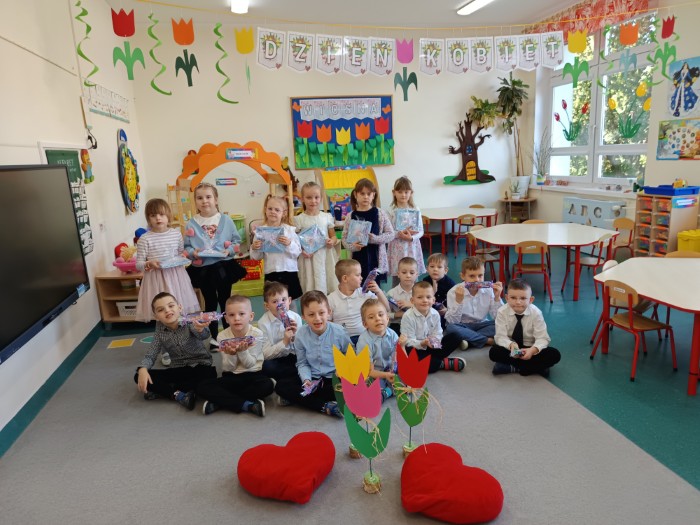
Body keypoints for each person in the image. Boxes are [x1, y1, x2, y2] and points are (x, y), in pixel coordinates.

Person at [135, 198, 200, 366]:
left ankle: (186, 345)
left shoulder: (176, 234)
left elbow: (180, 253)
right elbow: (138, 264)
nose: (158, 218)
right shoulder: (145, 239)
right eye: (153, 215)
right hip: (157, 281)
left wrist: (186, 256)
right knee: (162, 314)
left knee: (180, 312)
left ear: (168, 216)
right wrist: (149, 263)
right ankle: (166, 349)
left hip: (176, 278)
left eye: (162, 214)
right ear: (148, 218)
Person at [184, 182, 246, 345]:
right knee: (210, 303)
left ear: (216, 199)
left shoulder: (226, 220)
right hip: (203, 270)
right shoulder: (191, 223)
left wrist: (229, 250)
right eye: (200, 198)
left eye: (208, 197)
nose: (204, 201)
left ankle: (229, 333)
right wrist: (193, 252)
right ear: (195, 201)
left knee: (226, 302)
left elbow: (236, 241)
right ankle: (212, 337)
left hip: (223, 268)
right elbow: (186, 247)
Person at [274, 290, 353, 417]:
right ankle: (325, 406)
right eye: (311, 314)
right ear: (303, 317)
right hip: (313, 378)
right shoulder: (301, 335)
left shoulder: (340, 332)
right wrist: (306, 380)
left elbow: (350, 357)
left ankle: (300, 399)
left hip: (334, 378)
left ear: (329, 312)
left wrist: (344, 371)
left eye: (321, 313)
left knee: (349, 389)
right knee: (281, 386)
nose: (317, 318)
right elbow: (302, 363)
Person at [134, 292, 216, 410]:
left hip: (199, 365)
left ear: (179, 307)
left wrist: (200, 329)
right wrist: (143, 369)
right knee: (138, 375)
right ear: (156, 316)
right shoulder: (160, 332)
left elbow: (204, 335)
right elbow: (151, 354)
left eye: (171, 306)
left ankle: (166, 391)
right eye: (161, 310)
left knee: (208, 376)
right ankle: (179, 395)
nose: (167, 310)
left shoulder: (189, 321)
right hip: (179, 369)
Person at [197, 295, 273, 416]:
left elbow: (250, 364)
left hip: (253, 374)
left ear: (251, 316)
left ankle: (221, 401)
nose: (237, 318)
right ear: (226, 318)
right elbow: (228, 368)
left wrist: (242, 351)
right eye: (231, 315)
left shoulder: (256, 334)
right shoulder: (222, 336)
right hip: (231, 376)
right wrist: (232, 354)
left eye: (241, 314)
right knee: (202, 386)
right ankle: (247, 404)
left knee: (267, 385)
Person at [490, 278, 561, 377]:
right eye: (513, 298)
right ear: (507, 298)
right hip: (511, 348)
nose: (518, 302)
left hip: (530, 347)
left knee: (554, 354)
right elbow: (500, 337)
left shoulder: (536, 313)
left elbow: (543, 338)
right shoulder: (502, 312)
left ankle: (512, 367)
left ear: (531, 300)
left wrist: (532, 350)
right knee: (494, 352)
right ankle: (536, 368)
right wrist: (511, 345)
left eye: (523, 298)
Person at [442, 257, 504, 352]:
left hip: (482, 324)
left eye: (480, 275)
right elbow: (452, 321)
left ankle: (468, 340)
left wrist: (497, 297)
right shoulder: (453, 292)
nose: (477, 280)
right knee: (451, 328)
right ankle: (488, 340)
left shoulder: (489, 290)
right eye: (472, 276)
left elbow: (498, 317)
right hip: (462, 325)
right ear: (463, 276)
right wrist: (458, 301)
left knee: (504, 323)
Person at [401, 281, 465, 373]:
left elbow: (438, 333)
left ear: (433, 300)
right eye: (420, 297)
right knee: (410, 357)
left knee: (456, 336)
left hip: (432, 348)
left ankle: (433, 361)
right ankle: (441, 363)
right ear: (412, 300)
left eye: (428, 297)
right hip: (417, 349)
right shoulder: (408, 316)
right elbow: (408, 341)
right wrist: (422, 343)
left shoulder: (435, 314)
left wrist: (435, 342)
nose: (425, 300)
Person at [341, 178, 394, 283]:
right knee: (357, 286)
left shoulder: (380, 214)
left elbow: (391, 234)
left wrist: (376, 239)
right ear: (355, 194)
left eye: (369, 194)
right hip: (357, 259)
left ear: (373, 195)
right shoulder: (350, 216)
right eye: (362, 193)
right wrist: (353, 247)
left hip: (376, 259)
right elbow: (344, 238)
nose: (366, 197)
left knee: (374, 287)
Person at [250, 194, 303, 300]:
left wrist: (289, 244)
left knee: (290, 302)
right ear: (265, 210)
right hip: (271, 272)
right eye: (270, 209)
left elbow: (297, 252)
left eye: (277, 210)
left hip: (288, 271)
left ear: (284, 213)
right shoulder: (260, 232)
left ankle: (292, 312)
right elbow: (256, 257)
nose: (273, 212)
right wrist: (254, 248)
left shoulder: (289, 230)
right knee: (273, 302)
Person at [327, 259, 390, 345]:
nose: (361, 278)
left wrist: (378, 291)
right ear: (345, 278)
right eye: (358, 275)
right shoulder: (331, 299)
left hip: (365, 337)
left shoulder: (364, 293)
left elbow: (386, 308)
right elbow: (329, 323)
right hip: (342, 340)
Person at [356, 299, 407, 401]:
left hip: (390, 370)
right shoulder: (364, 341)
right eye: (371, 317)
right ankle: (389, 390)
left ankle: (388, 390)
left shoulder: (392, 334)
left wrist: (402, 346)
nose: (377, 319)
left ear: (387, 318)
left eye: (380, 315)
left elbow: (404, 362)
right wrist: (385, 375)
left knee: (410, 377)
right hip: (374, 373)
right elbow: (369, 371)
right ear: (365, 324)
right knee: (369, 386)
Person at [294, 181, 339, 294]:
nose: (313, 201)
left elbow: (333, 236)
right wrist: (302, 250)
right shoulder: (299, 219)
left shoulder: (326, 217)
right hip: (308, 257)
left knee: (326, 280)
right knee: (310, 284)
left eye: (316, 197)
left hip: (325, 256)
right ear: (302, 199)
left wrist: (331, 241)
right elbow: (295, 240)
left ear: (321, 198)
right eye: (309, 197)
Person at [385, 176, 425, 286]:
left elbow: (421, 231)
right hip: (396, 250)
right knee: (397, 276)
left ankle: (414, 295)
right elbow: (388, 232)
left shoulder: (415, 209)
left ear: (411, 193)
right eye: (400, 192)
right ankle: (396, 297)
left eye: (406, 192)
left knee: (412, 275)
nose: (403, 195)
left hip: (412, 247)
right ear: (394, 192)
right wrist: (398, 234)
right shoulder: (390, 210)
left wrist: (411, 238)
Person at [259, 281, 302, 381]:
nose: (280, 305)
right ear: (267, 306)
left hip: (293, 356)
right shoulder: (263, 323)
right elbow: (265, 354)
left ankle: (291, 375)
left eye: (283, 300)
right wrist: (284, 342)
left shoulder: (295, 317)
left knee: (306, 360)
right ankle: (291, 375)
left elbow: (301, 348)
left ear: (289, 300)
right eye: (275, 302)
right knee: (266, 366)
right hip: (275, 359)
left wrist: (295, 336)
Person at [386, 256, 419, 332]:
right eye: (404, 272)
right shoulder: (391, 293)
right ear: (398, 274)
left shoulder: (421, 292)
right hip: (397, 325)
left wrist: (411, 304)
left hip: (416, 325)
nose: (408, 276)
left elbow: (427, 309)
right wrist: (397, 315)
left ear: (416, 275)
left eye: (412, 273)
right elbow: (384, 314)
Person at [422, 253, 456, 327]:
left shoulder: (450, 284)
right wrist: (433, 291)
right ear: (427, 269)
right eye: (432, 266)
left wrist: (447, 310)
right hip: (429, 310)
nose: (435, 269)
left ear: (445, 270)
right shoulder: (425, 281)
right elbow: (423, 298)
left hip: (444, 312)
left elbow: (455, 303)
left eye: (439, 267)